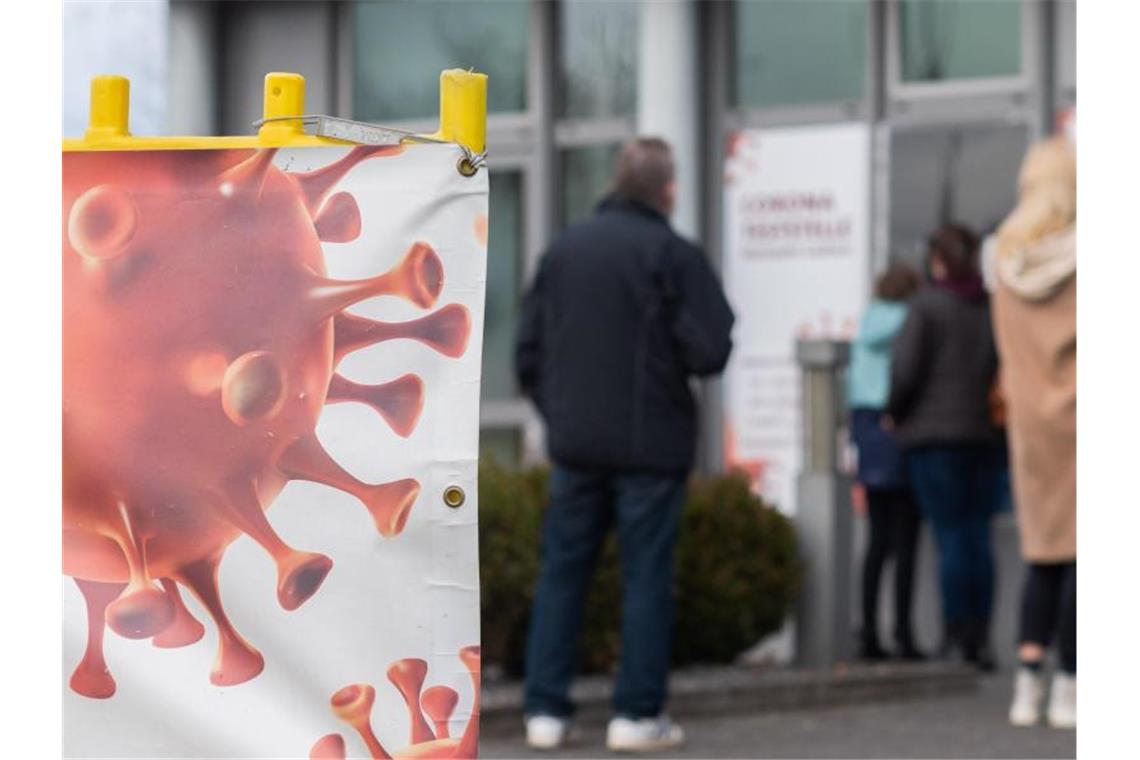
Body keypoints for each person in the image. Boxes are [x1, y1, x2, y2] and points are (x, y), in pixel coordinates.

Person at [515, 137, 734, 753]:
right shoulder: (674, 255)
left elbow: (526, 352)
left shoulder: (563, 252)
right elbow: (711, 350)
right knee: (646, 580)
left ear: (617, 181)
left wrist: (561, 416)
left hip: (577, 446)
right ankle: (635, 716)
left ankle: (545, 714)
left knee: (561, 574)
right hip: (651, 449)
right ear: (668, 189)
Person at [886, 223, 1003, 671]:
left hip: (935, 437)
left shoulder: (927, 306)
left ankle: (956, 635)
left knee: (951, 537)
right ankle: (981, 637)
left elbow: (906, 370)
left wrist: (894, 411)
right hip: (983, 435)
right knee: (977, 536)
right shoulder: (988, 307)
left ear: (937, 260)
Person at [991, 136, 1076, 730]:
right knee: (1086, 557)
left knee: (1042, 552)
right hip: (1085, 417)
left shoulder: (1005, 258)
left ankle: (1026, 685)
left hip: (1029, 425)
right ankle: (1072, 683)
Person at [847, 262, 925, 662]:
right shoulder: (913, 321)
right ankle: (904, 633)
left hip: (866, 424)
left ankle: (869, 632)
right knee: (907, 539)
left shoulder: (867, 323)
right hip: (900, 422)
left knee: (878, 541)